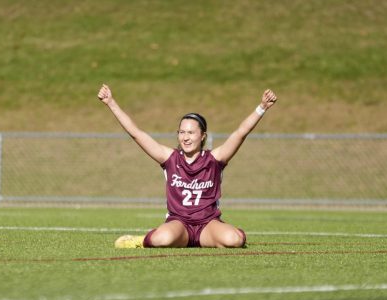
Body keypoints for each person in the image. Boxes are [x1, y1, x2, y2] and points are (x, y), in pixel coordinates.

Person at [98, 84, 277, 248]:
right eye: (182, 132)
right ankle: (141, 240)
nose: (185, 137)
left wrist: (262, 107)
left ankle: (228, 233)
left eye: (191, 132)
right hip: (179, 224)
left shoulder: (215, 159)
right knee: (162, 240)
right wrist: (111, 103)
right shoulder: (169, 158)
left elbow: (241, 133)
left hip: (208, 225)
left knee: (234, 240)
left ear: (203, 136)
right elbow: (137, 134)